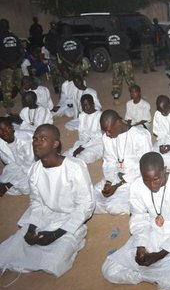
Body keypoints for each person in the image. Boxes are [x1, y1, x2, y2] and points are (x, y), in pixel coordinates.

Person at [0, 124, 94, 276]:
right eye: (35, 139)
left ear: (55, 144)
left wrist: (56, 234)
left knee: (53, 263)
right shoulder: (34, 170)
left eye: (43, 139)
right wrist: (31, 228)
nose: (36, 142)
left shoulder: (75, 167)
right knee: (9, 250)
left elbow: (85, 206)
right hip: (45, 216)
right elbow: (36, 204)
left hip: (70, 220)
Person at [101, 152, 170, 290]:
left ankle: (160, 271)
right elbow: (138, 217)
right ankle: (146, 275)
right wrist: (140, 246)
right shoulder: (137, 186)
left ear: (164, 170)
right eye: (146, 180)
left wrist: (159, 254)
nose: (151, 185)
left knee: (168, 285)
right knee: (109, 270)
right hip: (153, 228)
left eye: (156, 179)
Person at [94, 110, 152, 215]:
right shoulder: (107, 138)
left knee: (114, 207)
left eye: (109, 130)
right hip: (116, 177)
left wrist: (118, 185)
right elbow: (109, 161)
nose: (107, 134)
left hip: (134, 179)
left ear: (118, 123)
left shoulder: (141, 136)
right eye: (104, 131)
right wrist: (109, 181)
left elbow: (145, 167)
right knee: (91, 197)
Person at [63, 94, 103, 164]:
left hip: (97, 144)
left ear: (93, 104)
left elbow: (99, 137)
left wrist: (83, 147)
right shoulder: (82, 115)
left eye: (87, 105)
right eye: (83, 105)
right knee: (67, 154)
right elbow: (82, 133)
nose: (85, 108)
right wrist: (82, 145)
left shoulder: (100, 116)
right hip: (84, 142)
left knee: (83, 157)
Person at [0, 117, 34, 196]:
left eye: (7, 128)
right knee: (3, 179)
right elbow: (8, 163)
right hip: (17, 165)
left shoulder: (26, 140)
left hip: (34, 164)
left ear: (12, 127)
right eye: (0, 130)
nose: (4, 132)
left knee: (26, 188)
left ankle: (8, 188)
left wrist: (9, 185)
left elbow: (29, 166)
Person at [107, 17, 135, 100]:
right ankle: (134, 97)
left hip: (115, 61)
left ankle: (116, 97)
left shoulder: (108, 34)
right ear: (117, 23)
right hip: (124, 59)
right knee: (130, 79)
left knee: (116, 80)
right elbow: (128, 46)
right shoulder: (121, 33)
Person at [0, 18, 24, 113]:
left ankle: (8, 106)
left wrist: (9, 64)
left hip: (6, 67)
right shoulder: (14, 37)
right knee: (21, 84)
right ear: (8, 26)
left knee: (7, 87)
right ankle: (26, 99)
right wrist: (16, 63)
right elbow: (22, 52)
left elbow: (22, 51)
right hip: (15, 65)